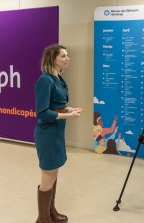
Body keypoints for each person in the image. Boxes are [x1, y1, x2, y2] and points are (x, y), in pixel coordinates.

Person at [34, 44, 84, 223]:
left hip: (55, 133)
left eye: (67, 55)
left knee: (53, 173)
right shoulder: (45, 80)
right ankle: (43, 219)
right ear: (52, 58)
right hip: (47, 134)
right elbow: (42, 112)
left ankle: (51, 212)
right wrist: (68, 115)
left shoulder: (58, 78)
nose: (67, 58)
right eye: (63, 56)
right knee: (48, 176)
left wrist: (69, 108)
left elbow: (56, 104)